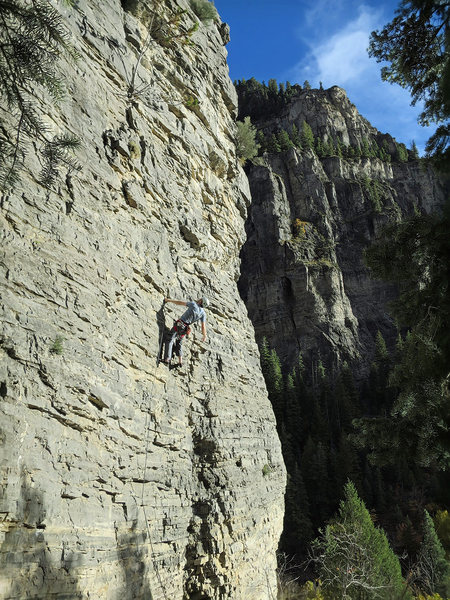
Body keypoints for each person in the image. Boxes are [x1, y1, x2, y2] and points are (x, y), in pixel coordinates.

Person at [163, 296, 209, 367]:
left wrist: (168, 300)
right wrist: (204, 335)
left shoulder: (194, 304)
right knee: (179, 342)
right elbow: (203, 326)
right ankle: (180, 362)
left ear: (201, 301)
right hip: (185, 329)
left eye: (200, 299)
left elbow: (180, 303)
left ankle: (167, 359)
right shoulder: (203, 314)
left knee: (170, 338)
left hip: (180, 324)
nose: (199, 299)